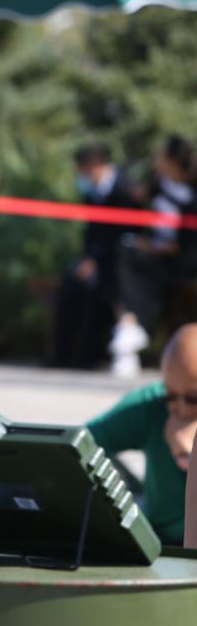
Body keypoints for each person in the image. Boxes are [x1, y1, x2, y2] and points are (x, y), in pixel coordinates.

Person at [87, 324, 197, 546]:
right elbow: (78, 446)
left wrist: (188, 453)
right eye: (171, 396)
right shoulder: (152, 405)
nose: (181, 408)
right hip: (160, 542)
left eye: (194, 398)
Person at [51, 143, 145, 369]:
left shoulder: (125, 189)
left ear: (93, 167)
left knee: (92, 288)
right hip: (95, 259)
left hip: (119, 263)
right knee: (69, 282)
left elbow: (123, 234)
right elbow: (91, 234)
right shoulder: (92, 192)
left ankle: (88, 356)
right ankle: (60, 356)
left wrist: (95, 261)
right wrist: (87, 259)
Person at [109, 135, 196, 377]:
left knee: (138, 266)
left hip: (182, 259)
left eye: (161, 154)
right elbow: (135, 197)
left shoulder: (192, 192)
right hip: (155, 254)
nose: (156, 158)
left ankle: (131, 328)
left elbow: (184, 244)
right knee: (126, 256)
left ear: (172, 160)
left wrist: (156, 246)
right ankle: (130, 328)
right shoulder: (156, 183)